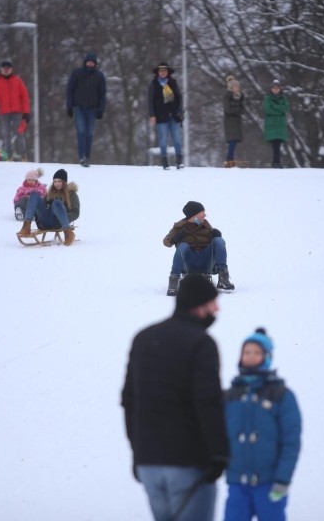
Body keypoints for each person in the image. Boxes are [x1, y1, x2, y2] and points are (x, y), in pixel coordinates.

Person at [121, 275, 229, 521]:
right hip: (189, 464)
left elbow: (128, 402)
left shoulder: (144, 338)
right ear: (199, 304)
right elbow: (208, 401)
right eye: (213, 302)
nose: (217, 308)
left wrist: (138, 454)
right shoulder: (201, 343)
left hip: (149, 464)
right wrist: (219, 454)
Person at [223, 328, 302, 521]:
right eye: (246, 352)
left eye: (256, 352)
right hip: (237, 483)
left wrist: (282, 479)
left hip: (270, 483)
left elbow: (291, 440)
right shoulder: (230, 395)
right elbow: (219, 435)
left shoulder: (281, 395)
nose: (250, 357)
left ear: (267, 357)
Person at [163, 201, 235, 295]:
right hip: (189, 264)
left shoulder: (205, 226)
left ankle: (223, 279)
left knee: (219, 240)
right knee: (183, 246)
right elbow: (166, 242)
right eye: (202, 212)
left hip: (206, 263)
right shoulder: (179, 228)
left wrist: (216, 235)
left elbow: (215, 244)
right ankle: (173, 282)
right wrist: (174, 239)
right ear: (194, 215)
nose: (205, 215)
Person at [16, 168, 78, 245]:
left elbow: (76, 212)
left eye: (59, 181)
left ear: (64, 182)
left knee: (57, 203)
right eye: (55, 181)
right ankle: (26, 226)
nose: (57, 184)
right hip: (45, 221)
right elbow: (43, 207)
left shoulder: (71, 194)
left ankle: (68, 233)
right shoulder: (51, 192)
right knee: (34, 194)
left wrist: (64, 217)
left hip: (59, 222)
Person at [66, 52, 107, 167]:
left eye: (92, 62)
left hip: (92, 109)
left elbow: (102, 94)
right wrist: (69, 106)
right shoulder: (77, 73)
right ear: (85, 62)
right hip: (78, 106)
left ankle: (87, 156)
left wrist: (101, 109)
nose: (90, 64)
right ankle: (82, 157)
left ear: (95, 64)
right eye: (88, 62)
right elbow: (70, 90)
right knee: (81, 131)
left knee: (89, 133)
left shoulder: (99, 76)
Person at [0, 60, 30, 160]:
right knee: (6, 134)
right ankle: (8, 155)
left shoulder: (18, 81)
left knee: (19, 133)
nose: (6, 70)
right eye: (4, 68)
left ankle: (22, 155)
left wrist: (26, 112)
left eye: (8, 68)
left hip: (18, 111)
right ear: (1, 69)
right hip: (4, 112)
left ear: (11, 69)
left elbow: (25, 96)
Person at [149, 62, 184, 170]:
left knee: (177, 139)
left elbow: (179, 97)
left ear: (167, 72)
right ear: (158, 72)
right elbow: (150, 100)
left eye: (165, 71)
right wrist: (152, 115)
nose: (163, 72)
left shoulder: (173, 83)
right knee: (163, 139)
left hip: (173, 115)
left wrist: (179, 111)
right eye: (161, 71)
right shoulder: (154, 84)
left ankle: (179, 161)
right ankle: (164, 161)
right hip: (160, 115)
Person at [264, 80, 290, 168]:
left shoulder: (283, 98)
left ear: (280, 89)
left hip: (280, 125)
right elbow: (267, 110)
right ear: (271, 89)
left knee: (278, 144)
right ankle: (276, 162)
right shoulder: (267, 98)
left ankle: (276, 162)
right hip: (272, 125)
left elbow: (286, 108)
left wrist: (274, 107)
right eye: (274, 88)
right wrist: (279, 110)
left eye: (277, 88)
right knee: (275, 144)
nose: (275, 90)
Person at [223, 75, 245, 168]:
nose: (237, 88)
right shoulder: (227, 96)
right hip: (229, 122)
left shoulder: (240, 97)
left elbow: (243, 109)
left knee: (235, 141)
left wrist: (237, 109)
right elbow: (228, 109)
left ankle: (230, 159)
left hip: (237, 122)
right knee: (232, 141)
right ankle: (229, 159)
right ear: (231, 87)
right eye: (235, 87)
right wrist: (237, 109)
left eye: (238, 87)